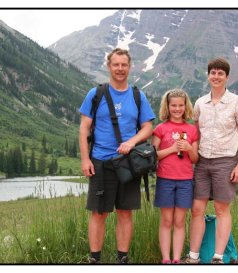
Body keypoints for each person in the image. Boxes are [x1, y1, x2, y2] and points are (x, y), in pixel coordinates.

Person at [79, 48, 155, 264]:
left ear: (129, 67)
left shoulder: (138, 96)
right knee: (99, 213)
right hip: (101, 161)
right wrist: (85, 160)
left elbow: (148, 127)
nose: (120, 69)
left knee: (125, 212)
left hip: (128, 164)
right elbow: (84, 129)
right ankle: (94, 260)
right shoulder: (95, 94)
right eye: (116, 64)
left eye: (124, 65)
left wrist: (131, 142)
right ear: (109, 66)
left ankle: (122, 259)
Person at [185, 58, 238, 264]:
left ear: (226, 77)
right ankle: (193, 256)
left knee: (222, 209)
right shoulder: (200, 103)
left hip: (226, 161)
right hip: (202, 162)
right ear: (208, 75)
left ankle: (218, 257)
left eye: (220, 73)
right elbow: (195, 132)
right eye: (213, 72)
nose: (216, 76)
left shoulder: (236, 102)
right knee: (197, 209)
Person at [152, 89, 199, 264]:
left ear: (185, 106)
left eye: (180, 105)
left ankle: (177, 259)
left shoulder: (192, 130)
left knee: (179, 221)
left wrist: (189, 149)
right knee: (166, 220)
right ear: (168, 106)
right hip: (165, 179)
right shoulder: (160, 128)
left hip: (186, 180)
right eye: (174, 105)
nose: (177, 109)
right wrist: (172, 149)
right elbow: (153, 155)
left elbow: (195, 159)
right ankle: (165, 258)